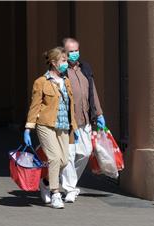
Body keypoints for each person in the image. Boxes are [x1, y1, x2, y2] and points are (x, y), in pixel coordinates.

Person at [23, 47, 79, 209]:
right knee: (54, 158)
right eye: (63, 60)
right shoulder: (41, 82)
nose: (65, 63)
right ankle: (55, 193)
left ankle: (46, 182)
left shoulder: (66, 81)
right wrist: (29, 128)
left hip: (63, 126)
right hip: (45, 124)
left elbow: (71, 106)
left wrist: (73, 128)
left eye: (66, 60)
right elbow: (35, 106)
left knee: (63, 160)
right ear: (54, 63)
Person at [60, 38, 105, 202]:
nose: (74, 54)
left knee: (85, 152)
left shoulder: (85, 68)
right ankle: (69, 188)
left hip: (85, 118)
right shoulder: (62, 70)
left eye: (76, 50)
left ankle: (68, 182)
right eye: (70, 51)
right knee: (70, 155)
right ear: (64, 53)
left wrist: (99, 114)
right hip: (69, 120)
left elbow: (92, 91)